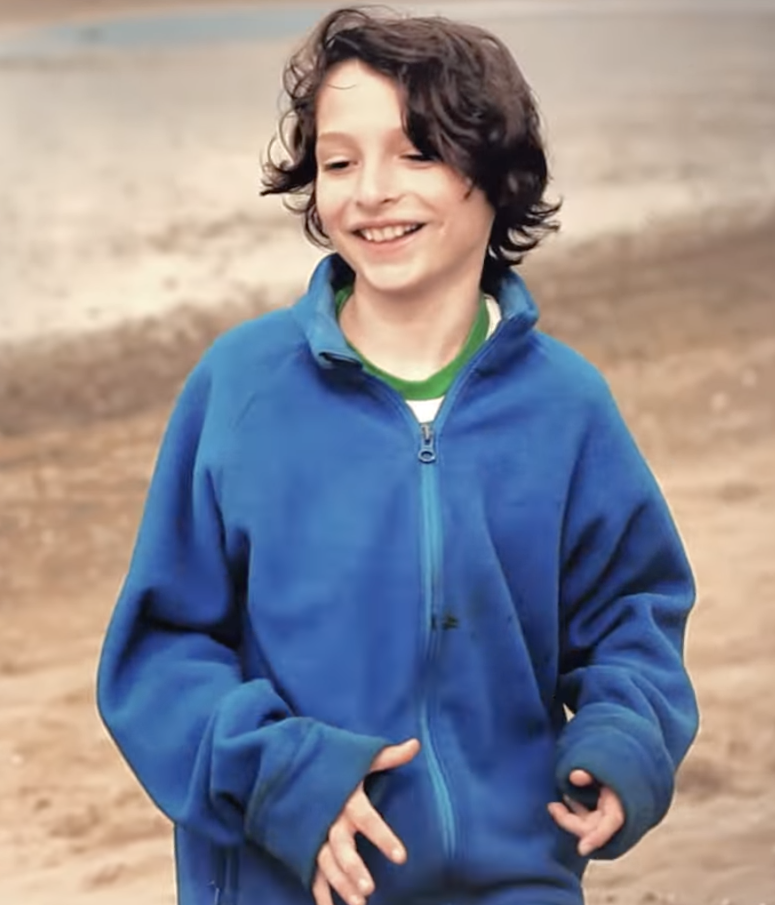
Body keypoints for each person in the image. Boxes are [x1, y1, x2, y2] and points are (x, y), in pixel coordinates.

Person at [96, 6, 699, 905]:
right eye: (340, 161)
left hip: (513, 871)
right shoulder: (242, 389)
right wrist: (280, 775)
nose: (370, 189)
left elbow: (631, 613)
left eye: (416, 152)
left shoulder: (564, 406)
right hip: (291, 877)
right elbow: (159, 650)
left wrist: (623, 739)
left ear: (495, 172)